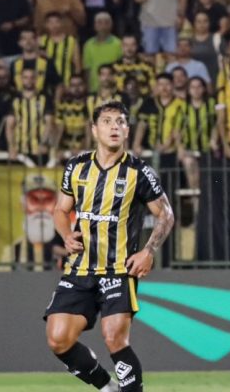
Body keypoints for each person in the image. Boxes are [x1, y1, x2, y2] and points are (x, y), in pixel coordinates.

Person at [45, 101, 174, 392]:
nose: (114, 126)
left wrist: (148, 250)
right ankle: (108, 387)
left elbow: (165, 213)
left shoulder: (138, 172)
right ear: (94, 129)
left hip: (118, 268)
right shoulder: (76, 167)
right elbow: (59, 210)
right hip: (80, 269)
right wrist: (66, 235)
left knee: (114, 337)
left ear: (127, 130)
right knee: (58, 338)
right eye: (107, 121)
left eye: (120, 122)